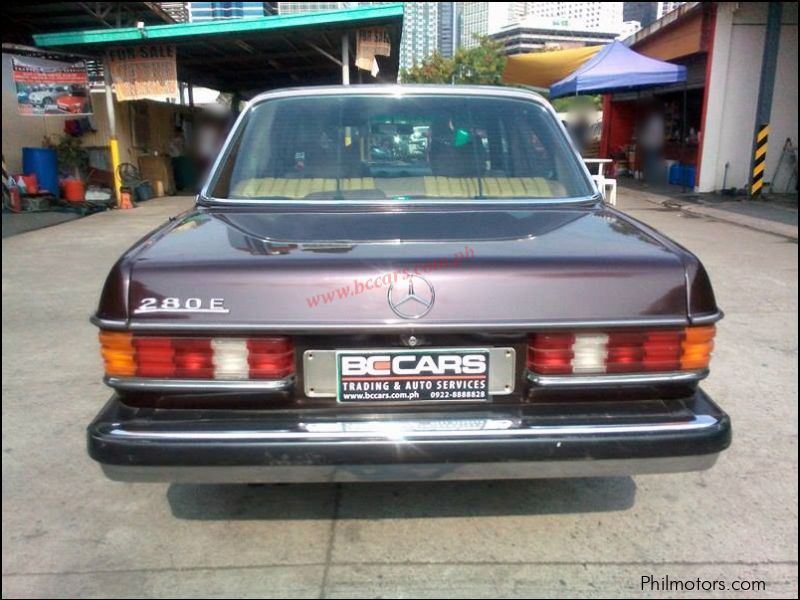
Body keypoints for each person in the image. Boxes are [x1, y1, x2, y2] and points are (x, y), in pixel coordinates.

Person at [639, 104, 665, 185]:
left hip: (651, 144)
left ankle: (648, 178)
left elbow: (649, 133)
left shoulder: (653, 122)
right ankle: (652, 178)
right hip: (654, 144)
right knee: (652, 161)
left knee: (650, 162)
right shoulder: (658, 122)